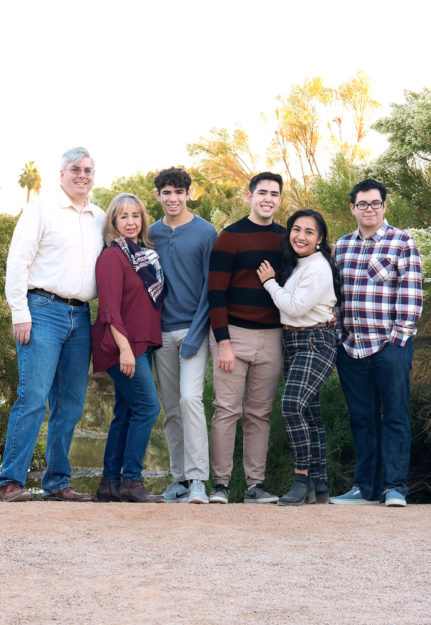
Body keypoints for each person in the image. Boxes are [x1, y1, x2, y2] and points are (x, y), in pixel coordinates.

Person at [0, 147, 105, 502]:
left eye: (88, 170)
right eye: (75, 169)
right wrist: (19, 311)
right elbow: (17, 263)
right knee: (32, 397)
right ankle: (10, 481)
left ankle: (57, 481)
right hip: (42, 309)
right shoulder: (41, 209)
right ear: (61, 174)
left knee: (71, 404)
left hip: (81, 316)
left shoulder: (99, 216)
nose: (82, 175)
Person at [330, 179, 423, 507]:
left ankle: (394, 487)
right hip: (351, 348)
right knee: (361, 417)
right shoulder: (341, 246)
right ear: (353, 208)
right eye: (362, 204)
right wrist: (339, 338)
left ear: (383, 206)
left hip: (390, 347)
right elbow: (336, 297)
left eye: (375, 203)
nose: (369, 209)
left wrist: (397, 341)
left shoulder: (402, 242)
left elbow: (411, 295)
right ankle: (364, 488)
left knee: (395, 415)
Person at [208, 172, 285, 504]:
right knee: (226, 411)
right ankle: (220, 485)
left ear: (280, 199)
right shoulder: (229, 236)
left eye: (274, 194)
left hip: (272, 337)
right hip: (233, 337)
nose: (268, 198)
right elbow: (215, 293)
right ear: (250, 196)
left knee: (259, 414)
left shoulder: (286, 238)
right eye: (262, 192)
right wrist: (223, 341)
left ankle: (256, 485)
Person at [257, 209, 338, 506]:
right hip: (294, 340)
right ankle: (320, 484)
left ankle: (301, 479)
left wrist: (269, 283)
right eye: (296, 229)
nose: (300, 236)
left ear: (319, 239)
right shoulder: (300, 264)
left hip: (315, 341)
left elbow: (294, 307)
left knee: (292, 406)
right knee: (310, 415)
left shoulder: (317, 267)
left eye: (308, 232)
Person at [149, 168, 218, 504]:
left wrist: (197, 331)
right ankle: (177, 478)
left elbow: (211, 287)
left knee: (191, 400)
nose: (172, 198)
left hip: (194, 329)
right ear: (158, 196)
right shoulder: (151, 234)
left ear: (189, 193)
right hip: (160, 333)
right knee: (172, 408)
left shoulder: (206, 232)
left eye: (178, 192)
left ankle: (198, 481)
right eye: (166, 192)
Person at [92, 194, 165, 503]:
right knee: (148, 407)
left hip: (141, 345)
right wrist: (124, 350)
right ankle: (132, 481)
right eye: (124, 216)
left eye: (136, 215)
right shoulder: (112, 256)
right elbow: (109, 309)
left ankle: (110, 483)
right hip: (121, 344)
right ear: (113, 222)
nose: (131, 221)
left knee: (125, 411)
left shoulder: (145, 255)